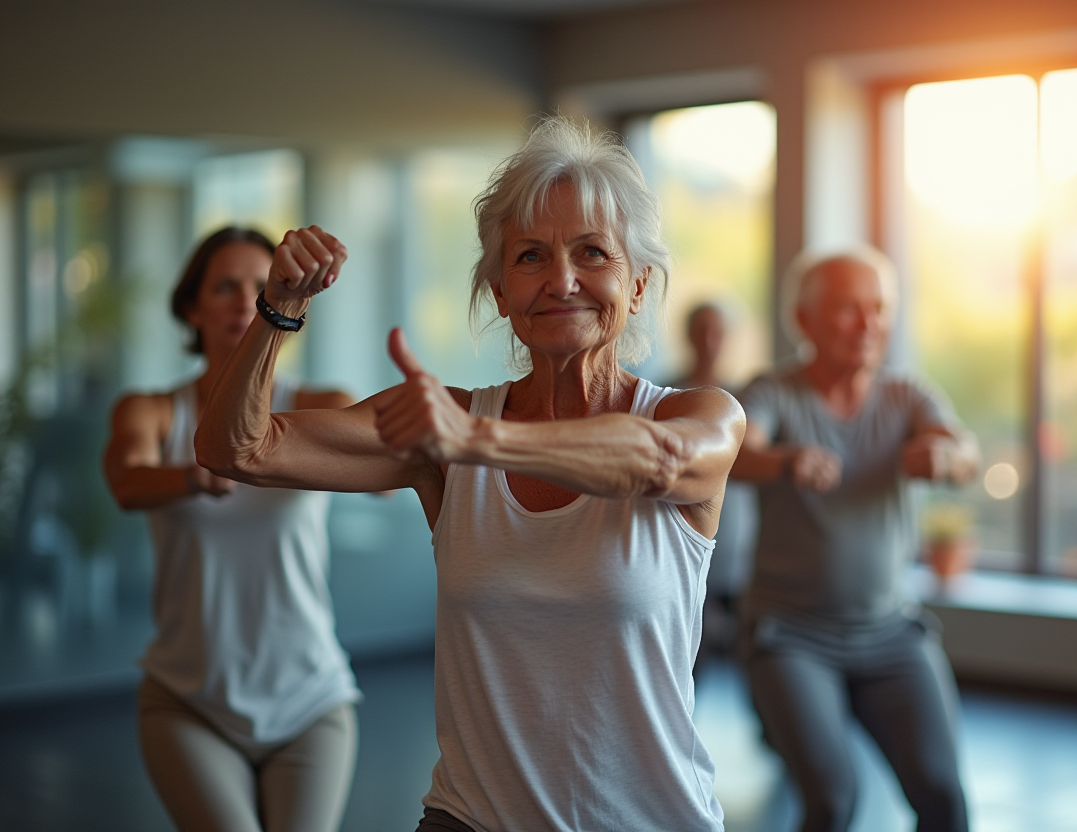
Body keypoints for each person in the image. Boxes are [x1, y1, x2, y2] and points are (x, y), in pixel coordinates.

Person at [194, 117, 745, 832]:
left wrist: (479, 440)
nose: (562, 279)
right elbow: (236, 449)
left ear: (637, 288)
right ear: (500, 292)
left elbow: (654, 461)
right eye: (530, 257)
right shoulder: (444, 431)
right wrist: (278, 310)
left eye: (592, 252)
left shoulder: (699, 414)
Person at [103, 227, 361, 832]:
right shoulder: (153, 411)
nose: (245, 299)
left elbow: (383, 475)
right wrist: (202, 473)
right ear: (192, 308)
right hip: (189, 700)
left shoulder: (316, 404)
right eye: (225, 286)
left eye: (258, 284)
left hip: (310, 700)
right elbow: (127, 483)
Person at [729, 246, 979, 832]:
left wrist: (945, 456)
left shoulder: (907, 395)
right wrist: (784, 462)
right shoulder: (775, 390)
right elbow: (738, 452)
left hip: (890, 632)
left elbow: (963, 449)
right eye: (848, 309)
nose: (869, 325)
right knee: (835, 799)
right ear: (805, 321)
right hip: (790, 636)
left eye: (879, 309)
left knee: (943, 796)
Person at [667, 302, 756, 662]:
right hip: (684, 552)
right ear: (688, 336)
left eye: (717, 330)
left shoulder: (746, 401)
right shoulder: (667, 395)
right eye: (701, 329)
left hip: (739, 555)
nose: (709, 340)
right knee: (689, 662)